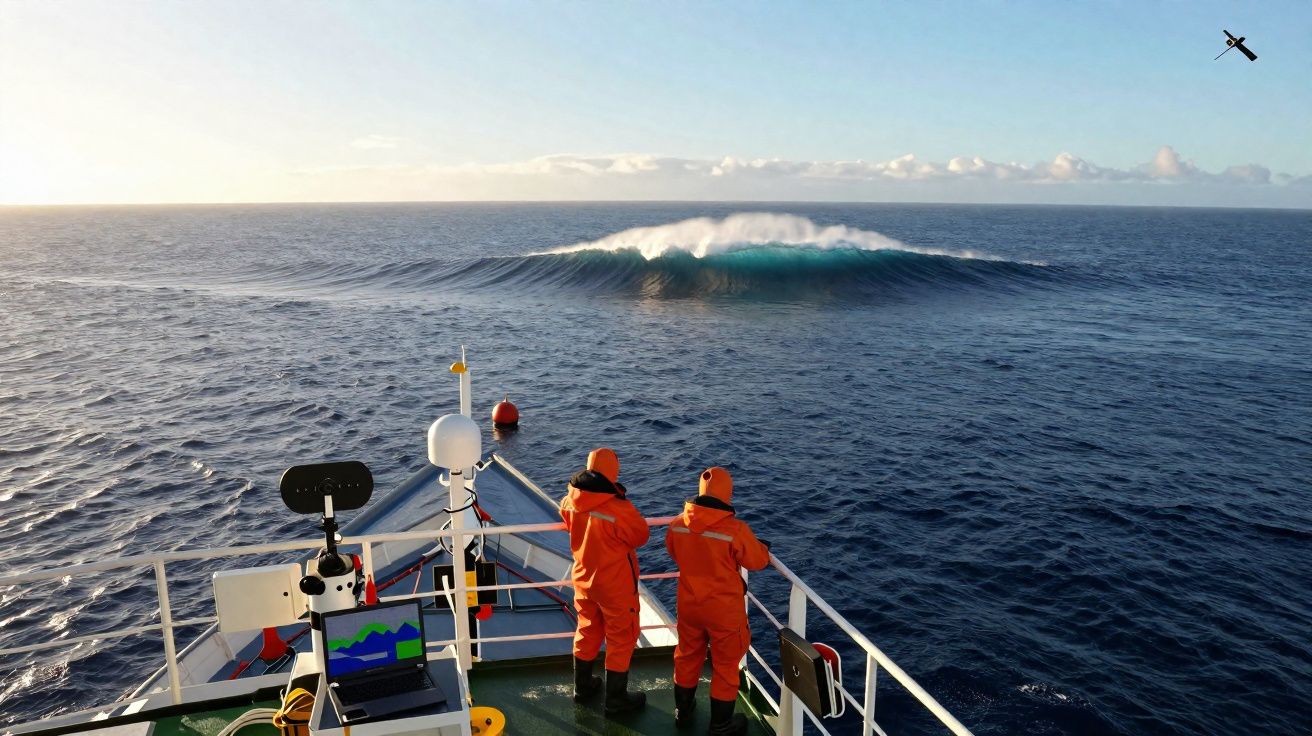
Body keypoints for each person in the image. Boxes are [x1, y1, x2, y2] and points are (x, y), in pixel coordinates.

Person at [666, 467, 771, 735]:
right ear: (728, 494)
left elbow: (675, 551)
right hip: (723, 610)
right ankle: (721, 726)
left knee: (688, 656)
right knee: (725, 665)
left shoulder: (678, 524)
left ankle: (683, 712)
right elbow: (757, 561)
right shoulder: (735, 530)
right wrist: (762, 546)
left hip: (689, 605)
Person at [559, 447, 650, 716]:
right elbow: (640, 535)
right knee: (621, 638)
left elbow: (566, 517)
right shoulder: (618, 509)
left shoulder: (569, 500)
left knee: (587, 630)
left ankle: (583, 687)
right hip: (615, 586)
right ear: (613, 473)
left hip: (584, 580)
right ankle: (616, 699)